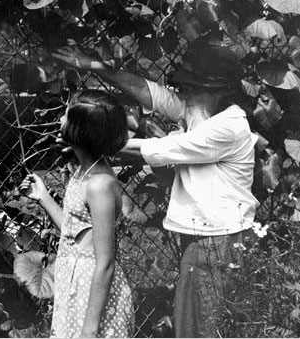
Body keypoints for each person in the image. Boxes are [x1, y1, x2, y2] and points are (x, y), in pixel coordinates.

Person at [52, 38, 259, 338]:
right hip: (205, 241)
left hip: (219, 243)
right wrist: (93, 66)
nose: (182, 91)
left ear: (216, 90)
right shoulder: (202, 111)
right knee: (193, 328)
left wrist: (86, 137)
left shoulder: (228, 127)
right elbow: (151, 93)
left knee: (206, 331)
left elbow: (158, 149)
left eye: (191, 85)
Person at [20, 90, 134, 338]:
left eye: (66, 116)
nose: (60, 120)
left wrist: (89, 330)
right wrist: (44, 197)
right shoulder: (84, 173)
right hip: (75, 285)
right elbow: (75, 233)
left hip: (92, 293)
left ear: (80, 131)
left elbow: (105, 262)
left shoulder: (99, 185)